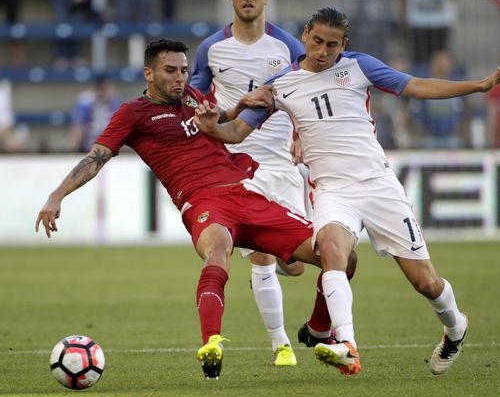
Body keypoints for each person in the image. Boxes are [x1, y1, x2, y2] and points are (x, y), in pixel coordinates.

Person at [193, 7, 500, 376]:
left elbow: (416, 86)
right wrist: (212, 129)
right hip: (333, 190)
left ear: (343, 45)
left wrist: (478, 85)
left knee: (426, 283)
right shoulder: (280, 85)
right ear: (305, 35)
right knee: (333, 253)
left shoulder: (359, 67)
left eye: (332, 45)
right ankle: (346, 344)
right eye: (317, 41)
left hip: (379, 187)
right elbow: (238, 132)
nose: (322, 51)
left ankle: (455, 328)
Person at [35, 38, 355, 380]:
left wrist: (236, 109)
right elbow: (95, 158)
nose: (180, 77)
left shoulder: (193, 98)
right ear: (149, 73)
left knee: (341, 255)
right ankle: (211, 344)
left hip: (246, 194)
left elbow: (218, 123)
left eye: (185, 70)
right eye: (170, 71)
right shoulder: (132, 113)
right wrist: (57, 196)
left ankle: (319, 329)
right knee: (218, 252)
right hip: (202, 203)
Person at [190, 0, 308, 367]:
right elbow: (195, 99)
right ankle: (281, 345)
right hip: (238, 166)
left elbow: (311, 93)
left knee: (297, 264)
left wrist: (303, 135)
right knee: (261, 257)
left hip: (283, 166)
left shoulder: (290, 47)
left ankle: (281, 266)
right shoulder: (211, 49)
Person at [409, 49, 470, 149]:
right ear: (432, 63)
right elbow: (415, 114)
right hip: (428, 139)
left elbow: (465, 112)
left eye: (446, 62)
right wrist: (420, 135)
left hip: (452, 138)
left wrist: (461, 133)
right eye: (439, 62)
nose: (443, 65)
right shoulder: (423, 86)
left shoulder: (458, 86)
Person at [68, 74, 122, 152]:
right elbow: (78, 125)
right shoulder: (86, 100)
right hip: (89, 145)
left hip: (110, 145)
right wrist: (73, 148)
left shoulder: (114, 99)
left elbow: (120, 126)